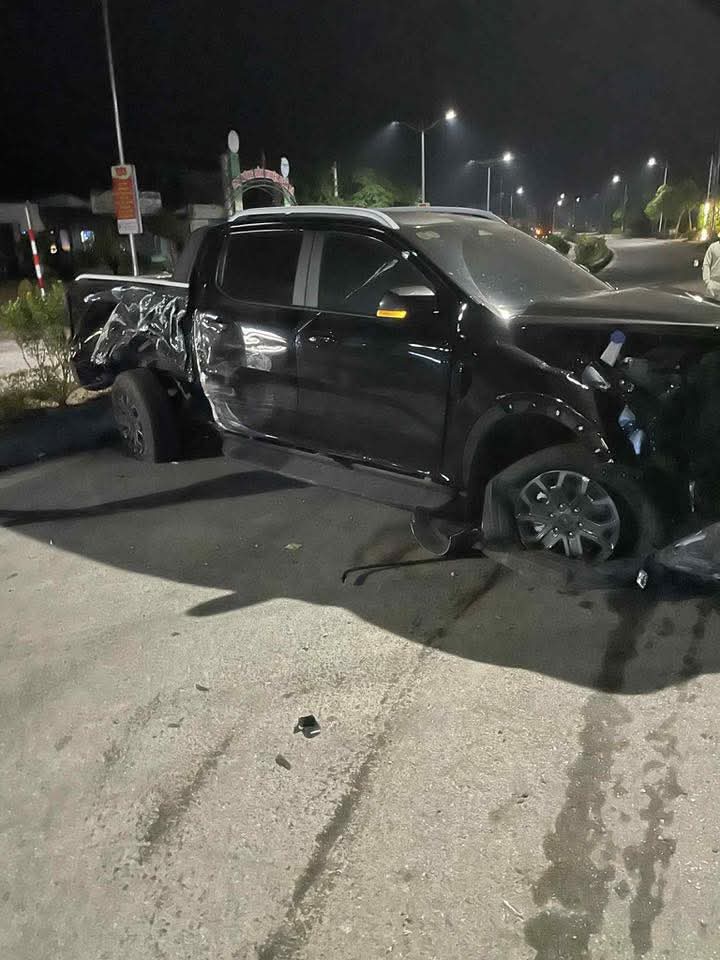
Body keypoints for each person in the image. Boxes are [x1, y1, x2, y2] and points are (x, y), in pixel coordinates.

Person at [702, 234, 720, 298]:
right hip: (713, 285)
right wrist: (707, 282)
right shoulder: (713, 247)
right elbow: (706, 264)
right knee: (709, 304)